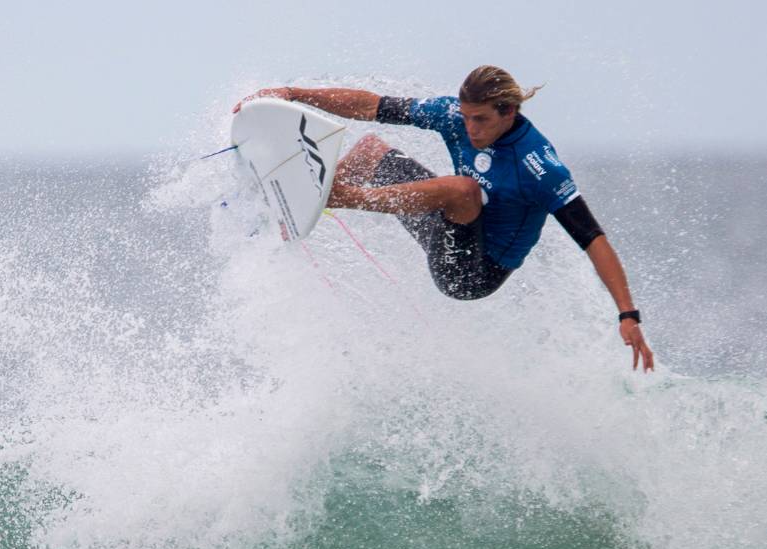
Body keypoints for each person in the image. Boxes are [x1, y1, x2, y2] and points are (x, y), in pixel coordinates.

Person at [234, 66, 654, 372]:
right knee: (370, 151)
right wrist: (292, 93)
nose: (470, 128)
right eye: (467, 116)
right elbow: (372, 105)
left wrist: (627, 315)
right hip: (447, 226)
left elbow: (593, 239)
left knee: (461, 189)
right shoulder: (455, 116)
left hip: (473, 273)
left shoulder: (539, 168)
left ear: (509, 112)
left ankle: (339, 197)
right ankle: (298, 208)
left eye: (481, 119)